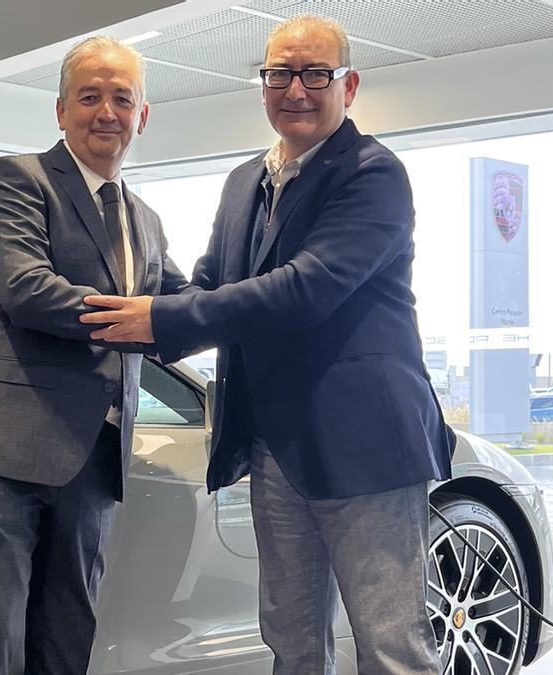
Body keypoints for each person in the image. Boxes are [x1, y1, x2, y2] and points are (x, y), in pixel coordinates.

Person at [81, 15, 454, 674]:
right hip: (276, 448)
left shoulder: (372, 175)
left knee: (389, 644)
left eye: (316, 73)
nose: (296, 89)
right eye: (280, 73)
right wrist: (120, 291)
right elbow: (208, 284)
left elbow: (303, 291)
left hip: (367, 448)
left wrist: (161, 319)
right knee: (290, 636)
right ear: (263, 84)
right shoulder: (243, 181)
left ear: (350, 85)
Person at [0, 36, 187, 675]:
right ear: (60, 111)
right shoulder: (17, 179)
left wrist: (250, 305)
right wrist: (139, 321)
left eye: (122, 98)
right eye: (89, 97)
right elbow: (27, 290)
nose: (106, 112)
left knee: (67, 642)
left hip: (94, 460)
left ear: (142, 116)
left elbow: (181, 308)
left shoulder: (144, 220)